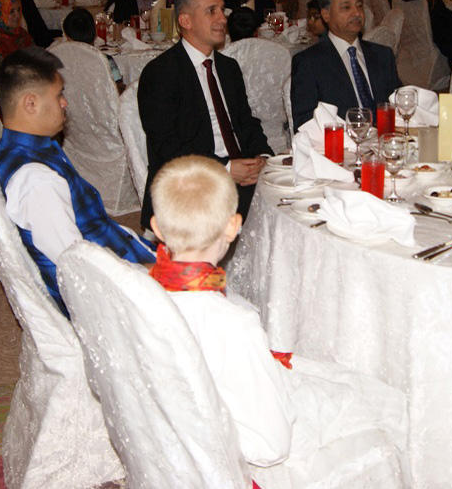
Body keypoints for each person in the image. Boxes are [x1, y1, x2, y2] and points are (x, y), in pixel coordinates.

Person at [146, 155, 406, 479]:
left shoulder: (144, 289)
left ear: (156, 227)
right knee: (381, 406)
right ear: (233, 226)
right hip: (243, 455)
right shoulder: (234, 324)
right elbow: (271, 445)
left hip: (186, 424)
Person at [0, 48, 153, 314]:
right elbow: (75, 266)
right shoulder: (36, 181)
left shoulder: (23, 150)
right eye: (59, 95)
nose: (65, 103)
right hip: (110, 293)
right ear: (30, 104)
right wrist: (147, 273)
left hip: (112, 256)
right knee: (210, 281)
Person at [137, 0, 271, 228]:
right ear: (185, 21)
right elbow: (167, 147)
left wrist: (261, 157)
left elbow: (245, 121)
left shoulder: (228, 68)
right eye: (212, 11)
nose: (223, 18)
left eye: (222, 10)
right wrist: (225, 169)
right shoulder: (161, 73)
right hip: (191, 183)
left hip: (241, 171)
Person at [290, 0, 401, 127]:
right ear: (326, 15)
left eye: (359, 6)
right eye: (346, 7)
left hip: (385, 137)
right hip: (341, 140)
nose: (357, 13)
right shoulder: (309, 63)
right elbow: (305, 123)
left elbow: (399, 105)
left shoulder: (383, 55)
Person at [62, 8, 123, 88]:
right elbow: (118, 87)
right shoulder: (105, 60)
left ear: (67, 36)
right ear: (95, 33)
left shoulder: (61, 60)